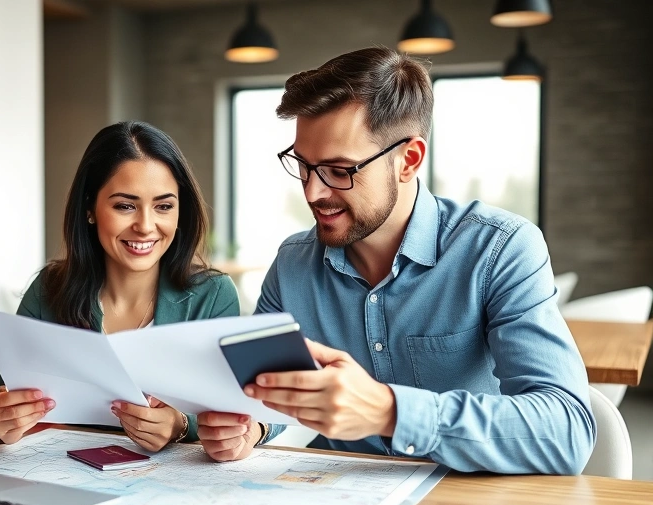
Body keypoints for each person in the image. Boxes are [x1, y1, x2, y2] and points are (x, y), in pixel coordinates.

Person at [232, 46, 595, 474]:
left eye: (339, 170)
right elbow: (266, 393)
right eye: (304, 165)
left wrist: (389, 411)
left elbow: (567, 431)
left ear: (409, 159)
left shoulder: (500, 249)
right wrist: (248, 426)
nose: (312, 192)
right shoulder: (293, 263)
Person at [0, 120, 284, 455]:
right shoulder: (50, 289)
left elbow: (233, 410)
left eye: (164, 206)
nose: (146, 226)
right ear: (90, 209)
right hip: (69, 476)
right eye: (125, 206)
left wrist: (179, 424)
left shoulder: (212, 295)